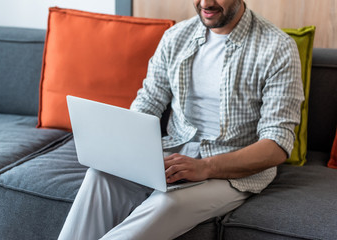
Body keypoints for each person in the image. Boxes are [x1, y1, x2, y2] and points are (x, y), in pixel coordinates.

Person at [58, 0, 304, 239]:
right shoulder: (176, 37)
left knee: (167, 202)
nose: (206, 3)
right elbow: (149, 101)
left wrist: (205, 167)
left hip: (233, 170)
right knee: (101, 175)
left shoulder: (277, 47)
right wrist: (126, 148)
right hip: (174, 151)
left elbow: (277, 145)